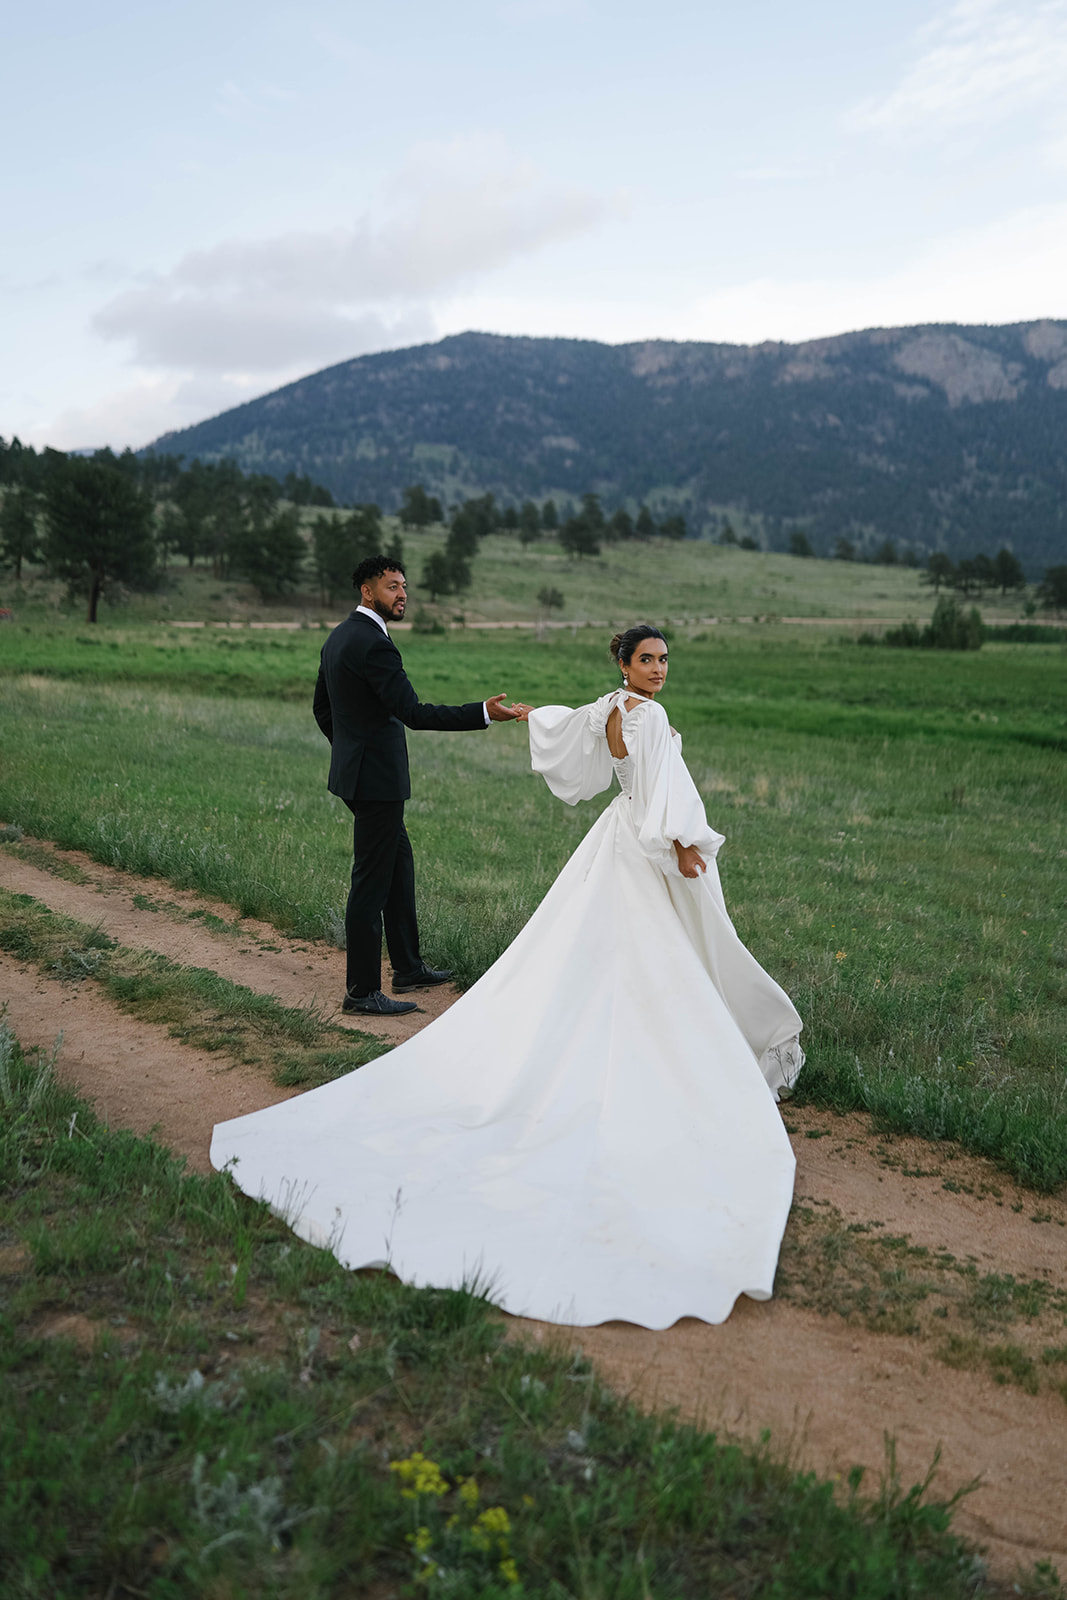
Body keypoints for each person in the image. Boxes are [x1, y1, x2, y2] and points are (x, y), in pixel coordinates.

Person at [213, 624, 804, 1329]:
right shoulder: (645, 715)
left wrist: (526, 716)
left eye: (664, 660)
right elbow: (666, 791)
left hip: (618, 839)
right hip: (650, 844)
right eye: (646, 659)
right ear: (623, 662)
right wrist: (683, 847)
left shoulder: (607, 707)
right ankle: (667, 1060)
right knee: (659, 955)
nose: (658, 670)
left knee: (610, 955)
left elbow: (568, 733)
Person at [313, 553, 519, 1017]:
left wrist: (349, 753)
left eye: (404, 586)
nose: (402, 593)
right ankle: (362, 991)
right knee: (370, 882)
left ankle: (408, 965)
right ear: (367, 591)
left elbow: (322, 710)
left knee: (397, 865)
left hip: (357, 778)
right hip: (378, 782)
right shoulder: (374, 644)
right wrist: (482, 712)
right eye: (392, 586)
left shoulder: (339, 636)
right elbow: (414, 713)